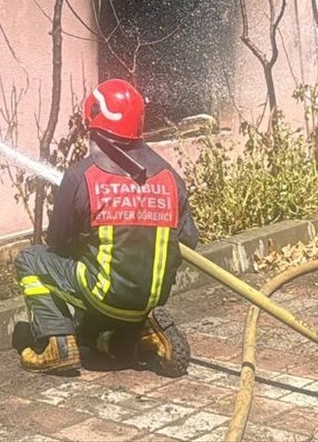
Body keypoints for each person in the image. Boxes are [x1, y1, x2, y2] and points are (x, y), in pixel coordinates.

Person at [13, 79, 199, 375]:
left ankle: (58, 345)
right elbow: (189, 240)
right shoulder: (169, 176)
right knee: (91, 334)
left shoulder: (80, 176)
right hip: (150, 298)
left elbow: (58, 242)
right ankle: (136, 334)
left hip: (103, 294)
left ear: (94, 123)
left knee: (30, 260)